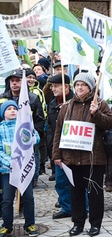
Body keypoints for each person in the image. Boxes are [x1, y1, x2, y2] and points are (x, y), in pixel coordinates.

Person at [52, 72, 112, 236]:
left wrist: (96, 114)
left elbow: (109, 123)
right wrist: (56, 155)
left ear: (90, 87)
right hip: (71, 158)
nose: (79, 88)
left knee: (94, 193)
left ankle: (95, 224)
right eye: (77, 85)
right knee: (76, 193)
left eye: (83, 85)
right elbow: (58, 132)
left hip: (93, 158)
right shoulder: (66, 107)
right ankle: (78, 223)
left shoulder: (99, 104)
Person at [0, 100, 40, 237]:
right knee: (7, 199)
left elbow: (36, 139)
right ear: (3, 113)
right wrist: (10, 163)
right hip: (8, 170)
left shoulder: (24, 125)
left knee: (28, 197)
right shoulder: (1, 128)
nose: (12, 111)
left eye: (14, 108)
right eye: (8, 109)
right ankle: (6, 225)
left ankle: (30, 224)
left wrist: (30, 133)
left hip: (24, 169)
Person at [47, 74, 74, 219]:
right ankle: (66, 207)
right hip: (58, 147)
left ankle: (83, 207)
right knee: (61, 181)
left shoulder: (75, 102)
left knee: (76, 180)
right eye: (52, 86)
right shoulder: (52, 104)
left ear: (66, 86)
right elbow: (51, 127)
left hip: (73, 147)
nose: (53, 89)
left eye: (56, 86)